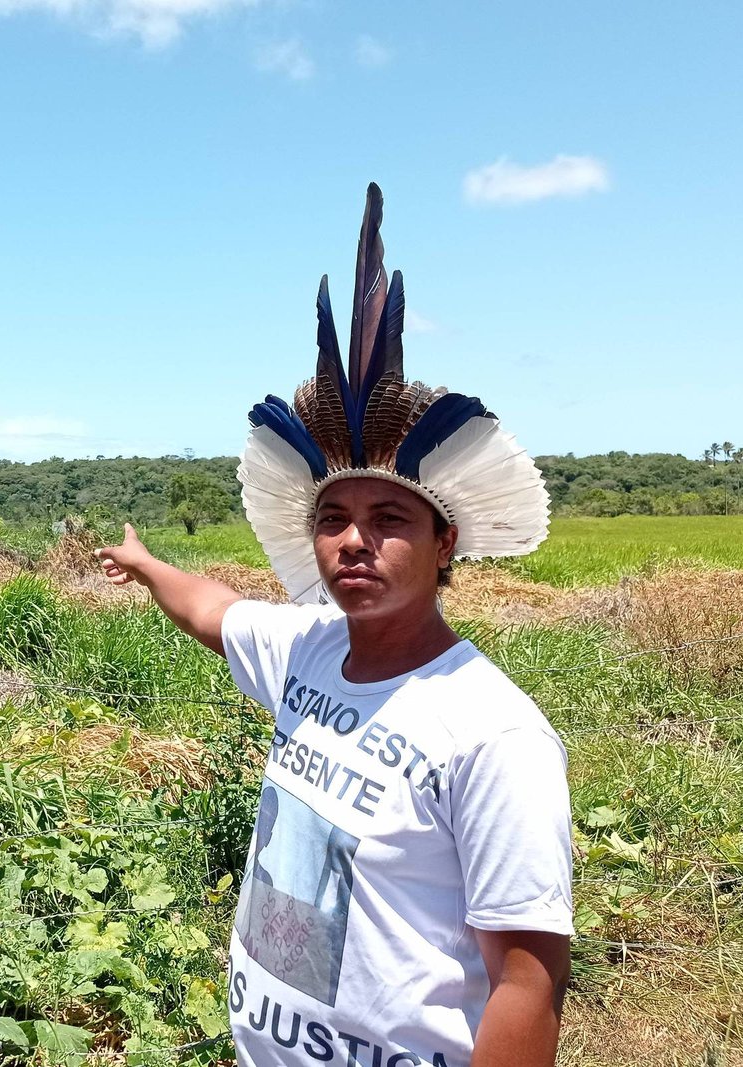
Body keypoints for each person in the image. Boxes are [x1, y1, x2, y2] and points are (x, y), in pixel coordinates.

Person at [94, 184, 572, 1067]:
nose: (355, 540)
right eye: (333, 518)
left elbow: (528, 981)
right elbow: (213, 609)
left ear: (445, 542)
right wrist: (148, 564)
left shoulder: (493, 734)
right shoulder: (307, 649)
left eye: (390, 518)